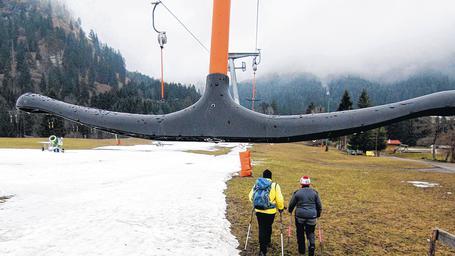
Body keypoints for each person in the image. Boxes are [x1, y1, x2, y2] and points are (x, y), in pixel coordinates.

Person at [248, 169, 285, 256]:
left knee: (262, 228)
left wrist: (256, 203)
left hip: (259, 210)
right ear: (271, 177)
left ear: (263, 176)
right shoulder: (275, 185)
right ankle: (267, 242)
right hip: (270, 212)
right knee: (268, 226)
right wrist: (281, 208)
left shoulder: (257, 184)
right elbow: (279, 199)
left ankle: (262, 250)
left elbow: (250, 196)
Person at [288, 176, 322, 256]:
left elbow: (291, 204)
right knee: (311, 232)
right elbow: (319, 205)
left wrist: (290, 210)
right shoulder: (315, 193)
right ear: (309, 183)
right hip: (312, 216)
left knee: (300, 233)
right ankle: (312, 245)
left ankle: (302, 250)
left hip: (300, 216)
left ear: (301, 183)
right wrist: (318, 214)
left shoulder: (297, 192)